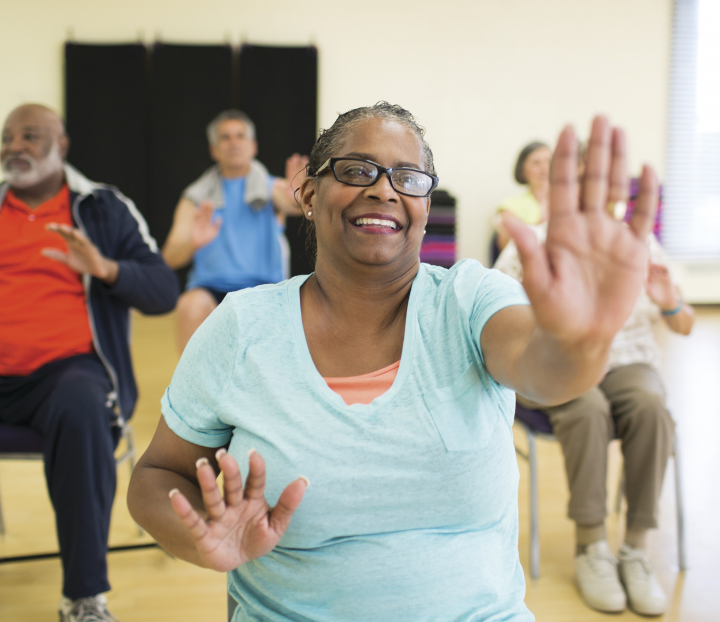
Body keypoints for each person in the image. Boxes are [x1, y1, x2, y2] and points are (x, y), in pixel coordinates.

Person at [127, 101, 659, 622]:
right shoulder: (243, 325)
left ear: (426, 205)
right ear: (310, 194)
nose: (384, 188)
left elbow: (546, 374)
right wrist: (200, 537)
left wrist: (582, 338)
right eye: (358, 170)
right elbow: (156, 473)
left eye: (409, 177)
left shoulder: (470, 298)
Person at [0, 104, 179, 622]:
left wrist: (104, 268)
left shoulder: (102, 209)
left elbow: (163, 290)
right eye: (8, 136)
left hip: (65, 375)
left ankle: (82, 597)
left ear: (62, 145)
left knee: (83, 407)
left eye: (30, 136)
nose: (15, 146)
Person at [495, 221, 693, 616]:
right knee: (588, 409)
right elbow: (494, 317)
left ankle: (636, 550)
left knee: (651, 406)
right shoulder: (530, 243)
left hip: (627, 363)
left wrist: (669, 300)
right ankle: (592, 548)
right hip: (554, 367)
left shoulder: (640, 243)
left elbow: (683, 323)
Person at [161, 109, 308, 352]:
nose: (233, 143)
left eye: (240, 136)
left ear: (253, 146)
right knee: (190, 305)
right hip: (210, 290)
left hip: (262, 290)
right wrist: (193, 243)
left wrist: (302, 195)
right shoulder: (194, 198)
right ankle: (193, 389)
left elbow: (295, 206)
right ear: (214, 150)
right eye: (225, 137)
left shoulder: (272, 188)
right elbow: (168, 258)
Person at [492, 140, 551, 257]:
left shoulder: (571, 202)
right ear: (522, 171)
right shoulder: (510, 205)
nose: (544, 168)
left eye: (549, 161)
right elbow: (506, 245)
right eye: (536, 163)